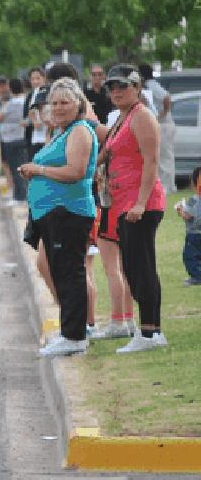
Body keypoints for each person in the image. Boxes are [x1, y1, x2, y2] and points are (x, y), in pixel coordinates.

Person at [19, 78, 98, 356]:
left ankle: (75, 336)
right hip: (53, 214)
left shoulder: (79, 131)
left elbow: (76, 171)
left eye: (65, 102)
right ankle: (69, 331)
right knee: (61, 272)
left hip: (69, 213)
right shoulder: (62, 132)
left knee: (69, 273)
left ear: (79, 104)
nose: (59, 107)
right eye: (54, 103)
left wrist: (38, 171)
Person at [95, 64, 167, 354]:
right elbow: (110, 153)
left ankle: (151, 333)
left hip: (141, 205)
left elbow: (151, 162)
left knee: (142, 268)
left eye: (122, 86)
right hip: (122, 204)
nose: (116, 91)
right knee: (132, 267)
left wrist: (140, 202)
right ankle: (147, 329)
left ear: (137, 87)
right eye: (111, 87)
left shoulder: (142, 117)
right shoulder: (122, 118)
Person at [139, 64, 176, 195]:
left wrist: (163, 114)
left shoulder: (151, 85)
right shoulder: (147, 86)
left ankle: (168, 187)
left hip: (164, 124)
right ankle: (163, 186)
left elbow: (166, 98)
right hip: (159, 124)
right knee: (159, 157)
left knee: (165, 157)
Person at [0, 78, 28, 204]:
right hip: (22, 137)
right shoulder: (26, 100)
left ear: (11, 88)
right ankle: (20, 195)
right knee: (20, 166)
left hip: (11, 138)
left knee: (16, 168)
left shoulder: (12, 103)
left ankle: (19, 197)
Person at [176, 167, 201, 286]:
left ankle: (196, 277)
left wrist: (180, 210)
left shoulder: (193, 200)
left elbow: (189, 216)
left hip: (193, 234)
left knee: (190, 256)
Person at [24, 67, 48, 161]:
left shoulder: (49, 92)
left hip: (47, 135)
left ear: (44, 78)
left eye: (38, 78)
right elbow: (26, 115)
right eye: (33, 79)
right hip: (33, 137)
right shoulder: (30, 95)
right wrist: (30, 122)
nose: (35, 81)